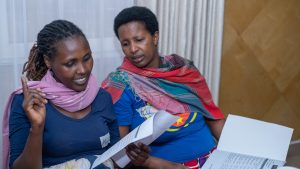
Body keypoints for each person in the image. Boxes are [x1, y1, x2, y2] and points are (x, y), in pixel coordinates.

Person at [2, 19, 179, 169]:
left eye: (87, 58)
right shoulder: (30, 102)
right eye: (70, 63)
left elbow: (114, 159)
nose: (83, 70)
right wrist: (37, 128)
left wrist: (134, 157)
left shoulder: (102, 97)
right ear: (48, 61)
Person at [102, 6, 226, 169]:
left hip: (214, 160)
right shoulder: (121, 85)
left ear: (155, 37)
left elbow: (213, 117)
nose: (132, 49)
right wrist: (158, 164)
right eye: (125, 44)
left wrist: (237, 152)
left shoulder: (183, 71)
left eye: (139, 40)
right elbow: (119, 156)